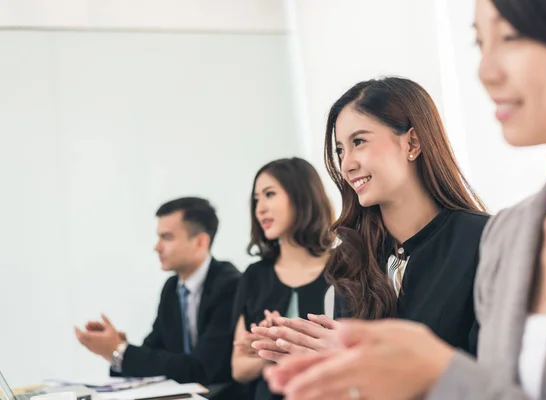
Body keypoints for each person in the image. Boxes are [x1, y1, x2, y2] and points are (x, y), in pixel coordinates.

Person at [262, 0, 546, 399]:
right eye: (478, 43)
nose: (485, 72)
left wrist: (432, 371)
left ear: (413, 143)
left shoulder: (482, 238)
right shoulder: (512, 234)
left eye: (511, 36)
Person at [252, 76, 489, 363]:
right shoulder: (350, 260)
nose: (347, 164)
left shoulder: (484, 241)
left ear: (412, 143)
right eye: (340, 150)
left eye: (359, 142)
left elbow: (490, 380)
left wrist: (363, 362)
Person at [75, 197, 241, 386]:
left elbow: (202, 368)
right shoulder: (172, 288)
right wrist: (118, 348)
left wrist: (121, 351)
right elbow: (153, 349)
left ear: (200, 242)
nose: (157, 247)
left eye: (167, 237)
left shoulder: (231, 286)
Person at [231, 157, 335, 400]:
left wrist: (283, 342)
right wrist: (271, 347)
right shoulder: (254, 276)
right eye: (256, 199)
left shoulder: (345, 269)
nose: (260, 208)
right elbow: (239, 369)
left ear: (301, 196)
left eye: (269, 194)